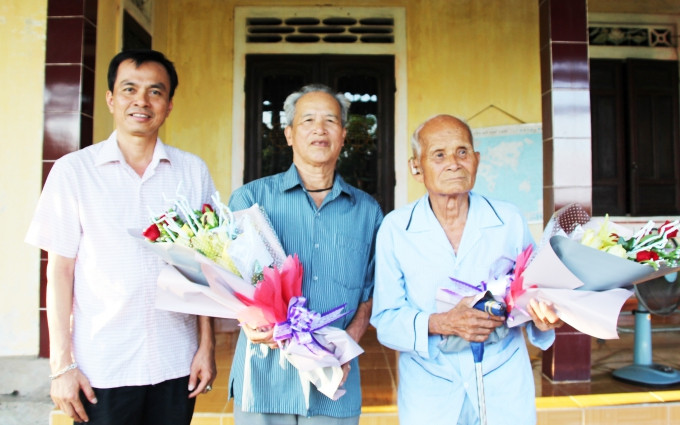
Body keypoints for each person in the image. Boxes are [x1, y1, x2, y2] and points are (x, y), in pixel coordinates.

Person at [25, 49, 217, 425]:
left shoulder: (192, 171)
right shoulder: (73, 172)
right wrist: (61, 365)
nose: (141, 101)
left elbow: (204, 267)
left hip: (176, 361)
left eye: (155, 91)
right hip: (102, 366)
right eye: (129, 89)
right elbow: (59, 273)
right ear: (111, 99)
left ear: (169, 104)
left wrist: (206, 346)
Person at [370, 114, 563, 425]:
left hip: (503, 377)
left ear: (476, 160)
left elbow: (533, 296)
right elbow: (386, 319)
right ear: (416, 167)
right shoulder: (396, 229)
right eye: (439, 155)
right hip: (430, 384)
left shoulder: (509, 220)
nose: (454, 163)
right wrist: (443, 323)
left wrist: (543, 319)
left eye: (462, 152)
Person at [227, 83, 383, 424]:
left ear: (343, 135)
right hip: (265, 377)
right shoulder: (250, 200)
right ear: (289, 134)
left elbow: (371, 291)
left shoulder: (367, 211)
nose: (319, 129)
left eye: (330, 120)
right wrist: (247, 320)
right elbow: (229, 279)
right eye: (308, 120)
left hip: (334, 379)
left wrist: (348, 343)